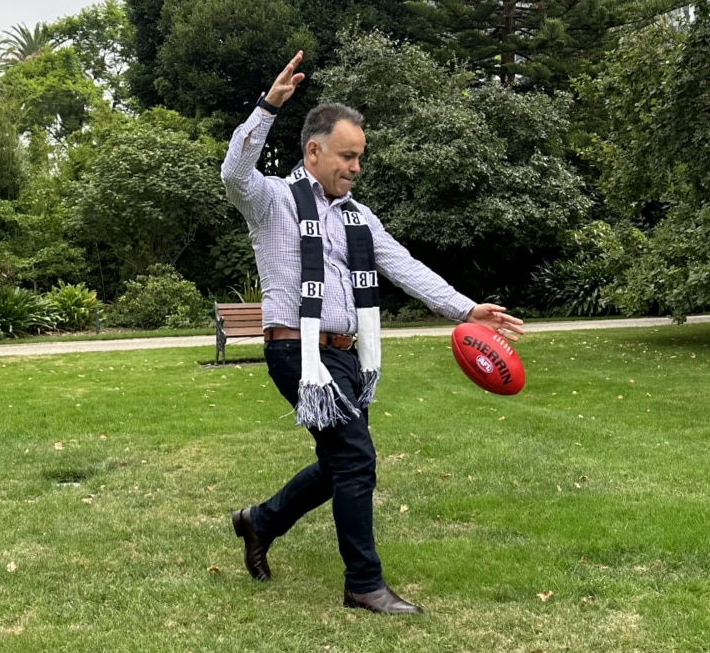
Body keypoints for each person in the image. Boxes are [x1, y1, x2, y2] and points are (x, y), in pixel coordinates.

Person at [221, 51, 523, 614]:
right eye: (347, 156)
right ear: (314, 151)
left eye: (360, 157)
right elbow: (234, 173)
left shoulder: (359, 218)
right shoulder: (272, 202)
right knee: (356, 459)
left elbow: (404, 266)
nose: (356, 167)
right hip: (297, 351)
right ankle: (363, 583)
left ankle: (258, 522)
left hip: (345, 356)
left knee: (341, 463)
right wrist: (267, 107)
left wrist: (465, 310)